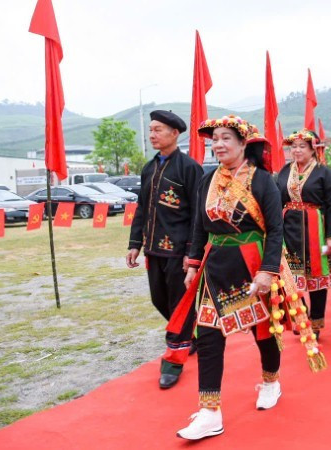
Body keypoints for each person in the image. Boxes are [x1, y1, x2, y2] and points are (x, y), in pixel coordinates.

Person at [173, 116, 325, 440]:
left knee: (263, 331)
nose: (218, 145)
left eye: (226, 138)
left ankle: (271, 381)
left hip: (253, 263)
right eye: (214, 139)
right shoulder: (207, 179)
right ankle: (209, 410)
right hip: (215, 267)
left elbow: (275, 229)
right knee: (210, 336)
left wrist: (269, 271)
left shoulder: (262, 180)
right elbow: (199, 226)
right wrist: (192, 264)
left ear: (243, 143)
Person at [126, 110, 203, 389]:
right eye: (150, 130)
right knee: (159, 300)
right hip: (153, 250)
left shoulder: (189, 168)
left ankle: (173, 361)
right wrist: (135, 243)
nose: (152, 135)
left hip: (179, 251)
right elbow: (141, 208)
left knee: (179, 305)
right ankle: (192, 339)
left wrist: (191, 253)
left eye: (158, 130)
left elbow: (198, 214)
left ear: (175, 133)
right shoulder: (149, 168)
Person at [277, 129, 331, 339]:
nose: (296, 150)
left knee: (316, 277)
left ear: (313, 149)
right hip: (289, 228)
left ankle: (316, 319)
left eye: (302, 146)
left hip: (314, 228)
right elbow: (277, 201)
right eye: (293, 146)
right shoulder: (285, 171)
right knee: (291, 277)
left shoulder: (324, 172)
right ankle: (300, 314)